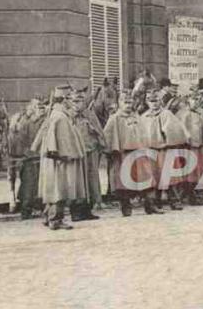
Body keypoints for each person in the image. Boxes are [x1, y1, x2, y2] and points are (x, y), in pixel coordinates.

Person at [32, 85, 88, 230]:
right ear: (64, 100)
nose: (72, 102)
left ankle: (48, 216)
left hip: (57, 159)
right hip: (61, 160)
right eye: (70, 98)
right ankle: (55, 219)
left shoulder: (58, 115)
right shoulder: (60, 117)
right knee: (59, 189)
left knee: (54, 188)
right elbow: (58, 141)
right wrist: (65, 155)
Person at [138, 88, 190, 211]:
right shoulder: (143, 117)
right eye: (151, 101)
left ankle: (175, 200)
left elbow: (175, 130)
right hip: (150, 151)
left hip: (165, 150)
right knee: (154, 176)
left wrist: (168, 139)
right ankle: (156, 201)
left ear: (160, 101)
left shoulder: (167, 114)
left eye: (156, 101)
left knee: (171, 176)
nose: (154, 103)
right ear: (147, 102)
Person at [104, 89, 153, 216]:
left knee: (144, 178)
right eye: (125, 102)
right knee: (123, 181)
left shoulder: (136, 117)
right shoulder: (114, 118)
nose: (128, 105)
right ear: (119, 102)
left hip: (138, 153)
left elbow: (143, 133)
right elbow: (107, 136)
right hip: (122, 154)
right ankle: (126, 206)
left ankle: (149, 205)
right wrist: (111, 151)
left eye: (130, 102)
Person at [70, 86, 107, 220]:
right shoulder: (68, 116)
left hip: (91, 151)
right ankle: (76, 211)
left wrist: (100, 144)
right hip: (76, 154)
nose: (78, 103)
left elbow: (99, 131)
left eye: (80, 100)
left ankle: (88, 209)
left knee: (91, 181)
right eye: (75, 101)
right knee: (78, 183)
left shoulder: (89, 114)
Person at [13, 96, 47, 219]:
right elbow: (20, 142)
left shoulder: (46, 124)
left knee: (43, 186)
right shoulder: (27, 124)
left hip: (43, 159)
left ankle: (43, 209)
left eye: (43, 108)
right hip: (29, 160)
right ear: (34, 109)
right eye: (39, 108)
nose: (42, 111)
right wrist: (28, 153)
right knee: (28, 186)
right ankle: (26, 210)